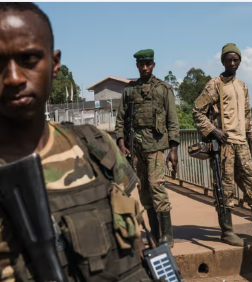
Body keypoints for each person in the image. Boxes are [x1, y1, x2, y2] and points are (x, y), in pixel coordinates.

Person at [0, 3, 159, 281]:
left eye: (29, 59)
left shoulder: (96, 147)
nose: (13, 77)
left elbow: (137, 242)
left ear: (55, 63)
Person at [193, 43, 252, 247]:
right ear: (223, 61)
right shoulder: (214, 85)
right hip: (224, 146)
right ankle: (227, 232)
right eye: (229, 60)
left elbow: (247, 117)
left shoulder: (242, 86)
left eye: (236, 60)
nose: (232, 63)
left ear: (240, 62)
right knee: (224, 189)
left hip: (242, 144)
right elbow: (197, 112)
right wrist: (214, 131)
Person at [115, 49, 180, 248]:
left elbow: (172, 121)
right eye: (141, 64)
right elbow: (120, 121)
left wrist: (174, 149)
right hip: (136, 149)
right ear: (137, 66)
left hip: (156, 146)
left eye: (148, 64)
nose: (144, 67)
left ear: (153, 65)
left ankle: (167, 237)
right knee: (144, 191)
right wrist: (121, 143)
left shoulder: (164, 89)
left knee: (157, 187)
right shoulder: (129, 90)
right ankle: (155, 232)